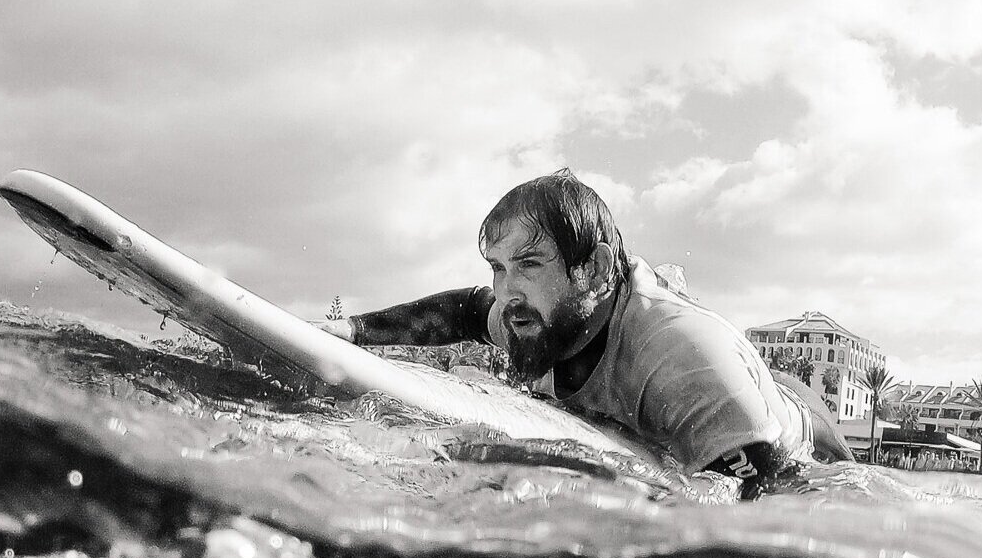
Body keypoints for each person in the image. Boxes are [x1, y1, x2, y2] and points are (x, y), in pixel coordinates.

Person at [324, 169, 849, 496]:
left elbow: (764, 497)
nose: (506, 291)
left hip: (800, 443)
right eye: (497, 267)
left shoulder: (683, 360)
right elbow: (462, 311)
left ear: (593, 270)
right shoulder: (534, 314)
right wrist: (345, 331)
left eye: (528, 264)